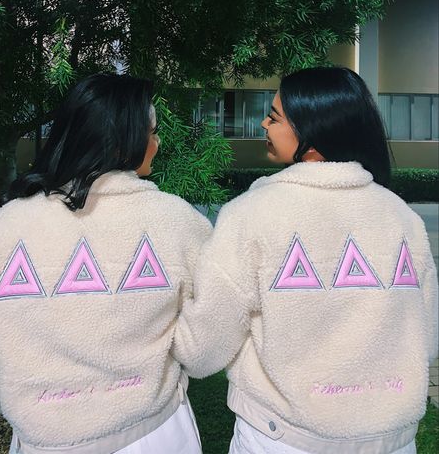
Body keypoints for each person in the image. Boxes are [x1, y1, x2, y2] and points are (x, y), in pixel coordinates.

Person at [173, 67, 438, 454]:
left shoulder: (252, 215)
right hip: (391, 439)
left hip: (283, 437)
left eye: (275, 116)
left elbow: (204, 349)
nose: (263, 122)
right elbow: (425, 339)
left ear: (312, 136)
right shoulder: (402, 218)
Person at [0, 73, 211, 454]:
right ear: (128, 138)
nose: (157, 142)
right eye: (153, 131)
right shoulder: (177, 222)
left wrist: (40, 405)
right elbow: (206, 340)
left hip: (44, 439)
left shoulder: (6, 227)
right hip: (153, 433)